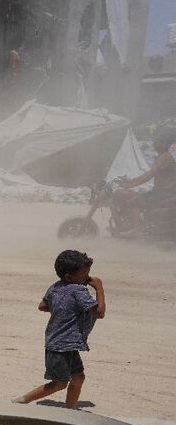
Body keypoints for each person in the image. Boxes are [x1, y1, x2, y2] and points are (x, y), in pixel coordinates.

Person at [13, 250, 106, 409]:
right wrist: (99, 288)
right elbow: (99, 313)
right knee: (60, 383)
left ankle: (70, 410)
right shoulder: (78, 290)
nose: (88, 279)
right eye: (85, 275)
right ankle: (22, 401)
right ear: (70, 277)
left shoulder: (55, 287)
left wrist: (64, 308)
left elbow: (42, 306)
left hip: (62, 343)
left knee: (78, 378)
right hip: (64, 344)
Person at [112, 128, 176, 235]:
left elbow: (148, 175)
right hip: (161, 192)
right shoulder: (164, 157)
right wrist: (130, 181)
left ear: (164, 144)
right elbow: (149, 174)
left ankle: (138, 229)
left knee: (133, 201)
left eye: (158, 140)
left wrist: (130, 184)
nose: (155, 142)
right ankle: (131, 224)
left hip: (163, 193)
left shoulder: (165, 157)